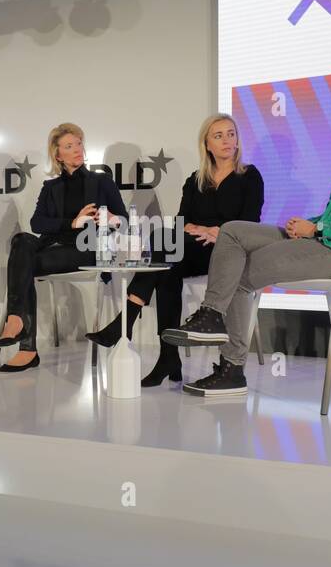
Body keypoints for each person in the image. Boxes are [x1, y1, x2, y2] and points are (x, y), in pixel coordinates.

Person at [163, 90, 331, 397]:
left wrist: (318, 227)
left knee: (243, 272)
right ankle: (211, 314)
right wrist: (309, 224)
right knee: (232, 231)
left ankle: (232, 369)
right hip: (324, 239)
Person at [86, 113, 263, 387]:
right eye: (219, 135)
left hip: (229, 254)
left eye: (231, 133)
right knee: (165, 263)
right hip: (195, 250)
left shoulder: (250, 176)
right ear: (207, 144)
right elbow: (182, 222)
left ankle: (128, 325)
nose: (228, 140)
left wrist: (218, 231)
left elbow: (250, 222)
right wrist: (198, 229)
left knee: (163, 252)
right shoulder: (195, 180)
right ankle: (168, 356)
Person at [0, 123, 128, 372]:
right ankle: (19, 326)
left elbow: (125, 221)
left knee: (22, 266)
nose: (77, 149)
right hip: (52, 247)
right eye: (69, 146)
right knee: (22, 239)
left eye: (79, 143)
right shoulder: (51, 187)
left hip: (86, 249)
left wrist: (112, 217)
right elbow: (37, 223)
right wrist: (73, 222)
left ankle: (24, 341)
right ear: (58, 155)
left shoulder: (102, 182)